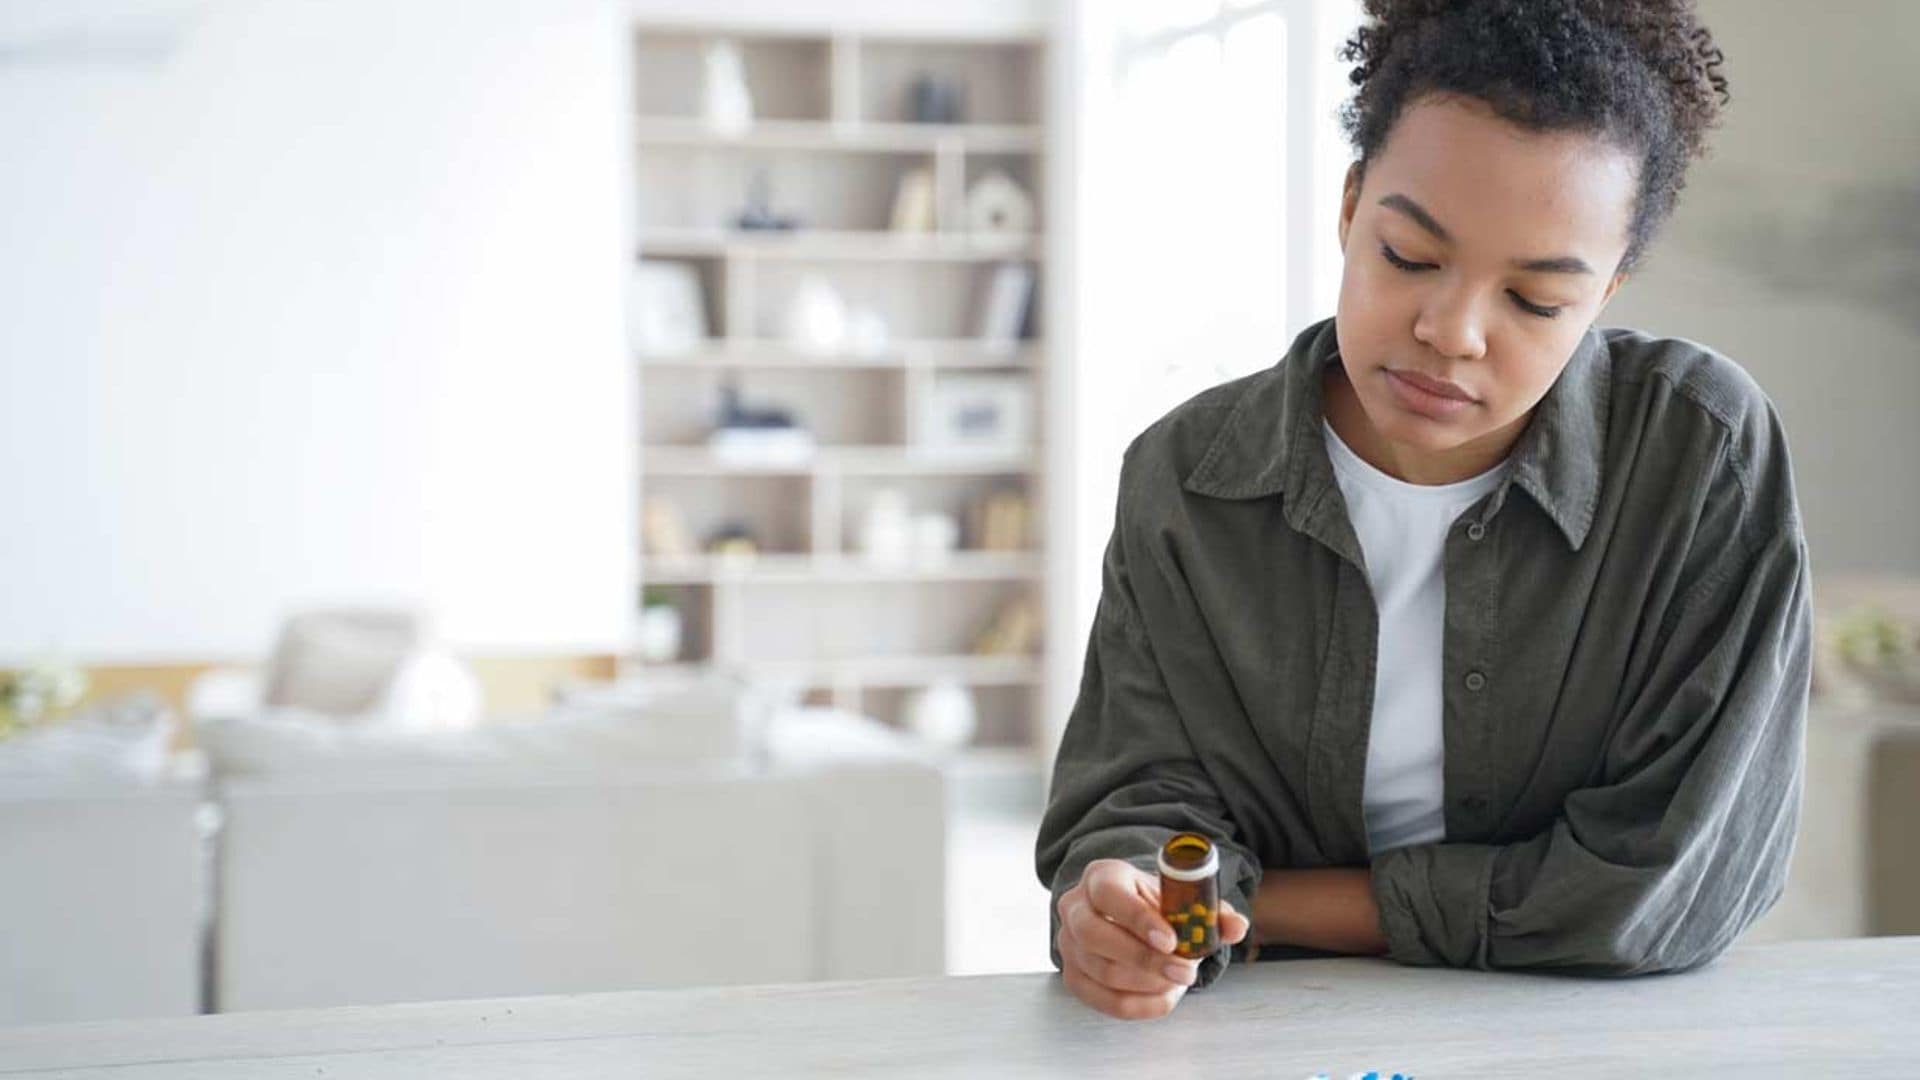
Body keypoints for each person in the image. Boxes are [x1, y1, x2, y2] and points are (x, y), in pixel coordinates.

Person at [1037, 0, 1812, 1021]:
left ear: (1608, 290)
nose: (1453, 333)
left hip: (1589, 1037)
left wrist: (1280, 906)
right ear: (1352, 205)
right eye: (1410, 255)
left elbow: (1666, 884)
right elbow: (1140, 810)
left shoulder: (1701, 454)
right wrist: (1126, 914)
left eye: (1535, 301)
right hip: (1265, 1033)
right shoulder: (1187, 476)